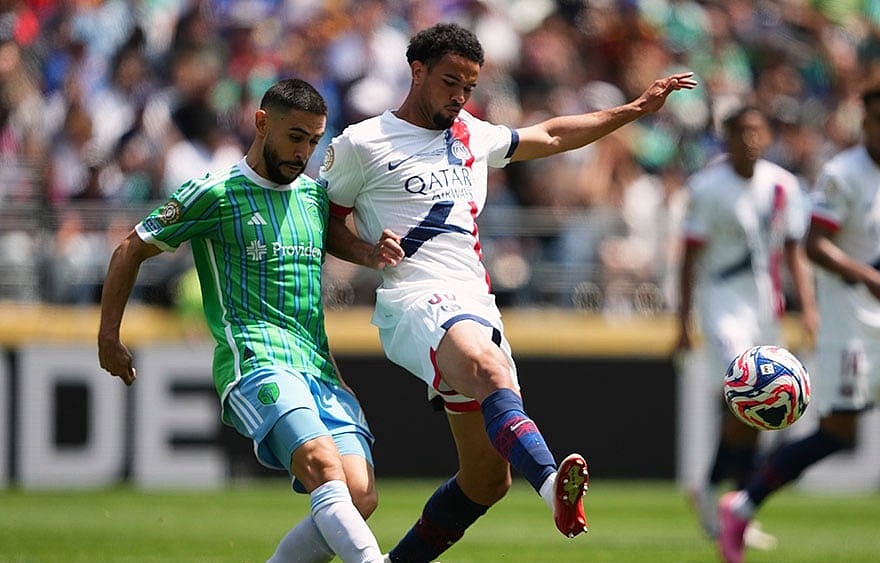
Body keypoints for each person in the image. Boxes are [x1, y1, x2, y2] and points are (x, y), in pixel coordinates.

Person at [318, 22, 696, 563]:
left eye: (469, 87)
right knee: (491, 371)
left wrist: (633, 109)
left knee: (484, 482)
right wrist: (368, 252)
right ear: (417, 71)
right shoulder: (362, 143)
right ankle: (553, 491)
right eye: (450, 82)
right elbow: (326, 224)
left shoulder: (471, 132)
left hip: (476, 302)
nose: (459, 97)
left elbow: (552, 135)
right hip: (414, 299)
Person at [98, 78, 386, 563]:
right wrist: (109, 335)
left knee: (359, 496)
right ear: (261, 122)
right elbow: (131, 247)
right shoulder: (215, 192)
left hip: (317, 367)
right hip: (254, 360)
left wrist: (370, 254)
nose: (304, 152)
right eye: (295, 137)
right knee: (321, 465)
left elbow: (331, 239)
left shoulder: (314, 198)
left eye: (314, 141)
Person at [715, 71, 880, 563]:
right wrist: (868, 278)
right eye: (879, 121)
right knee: (838, 434)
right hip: (851, 322)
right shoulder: (842, 174)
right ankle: (743, 504)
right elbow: (814, 245)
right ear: (864, 122)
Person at [675, 106, 817, 550]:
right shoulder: (706, 187)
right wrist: (683, 321)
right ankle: (721, 490)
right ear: (728, 138)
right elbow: (689, 258)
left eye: (759, 130)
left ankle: (731, 498)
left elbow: (795, 251)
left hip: (765, 307)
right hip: (723, 307)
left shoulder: (782, 185)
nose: (752, 139)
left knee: (759, 411)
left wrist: (809, 307)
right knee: (746, 395)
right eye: (743, 132)